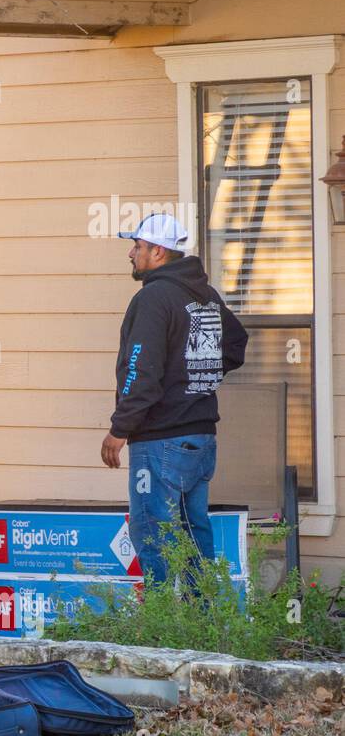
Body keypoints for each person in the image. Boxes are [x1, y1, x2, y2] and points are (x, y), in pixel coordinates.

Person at [99, 212, 248, 585]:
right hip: (200, 438)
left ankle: (161, 628)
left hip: (161, 439)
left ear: (159, 252)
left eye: (137, 246)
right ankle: (202, 624)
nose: (131, 254)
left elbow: (140, 369)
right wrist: (196, 376)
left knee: (152, 536)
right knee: (195, 538)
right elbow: (235, 344)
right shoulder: (205, 295)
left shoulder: (154, 297)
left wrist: (120, 429)